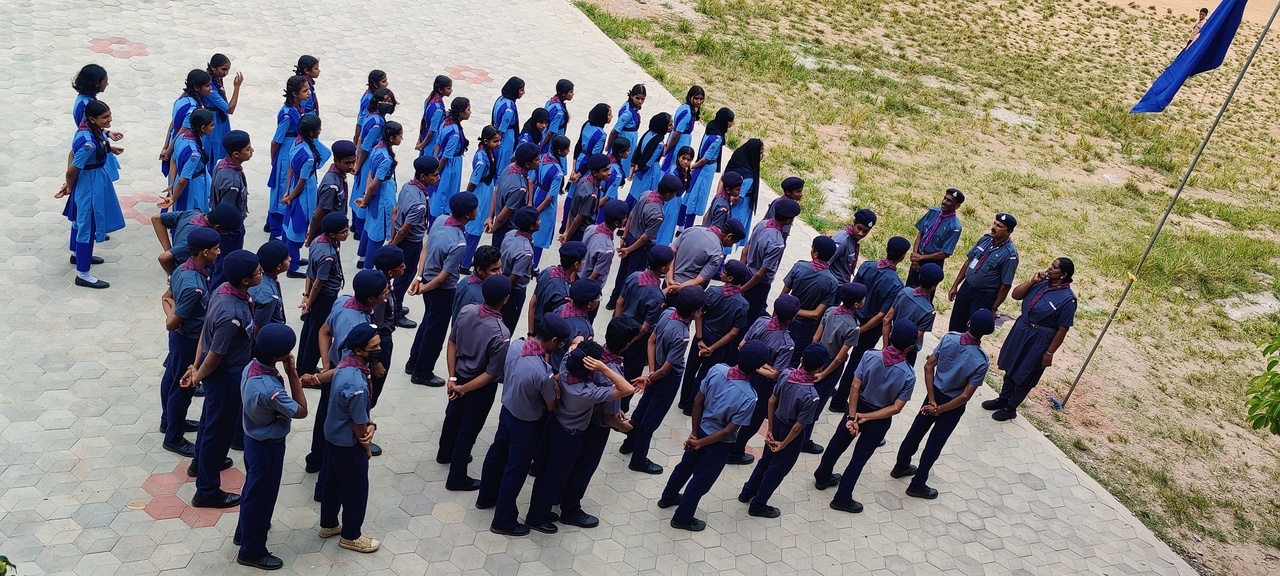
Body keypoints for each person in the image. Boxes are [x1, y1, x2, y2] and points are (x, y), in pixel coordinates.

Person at [524, 341, 637, 534]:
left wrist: (575, 347)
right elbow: (627, 389)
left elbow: (576, 341)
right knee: (554, 476)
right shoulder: (586, 392)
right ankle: (536, 518)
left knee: (546, 472)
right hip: (569, 436)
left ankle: (540, 509)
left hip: (556, 425)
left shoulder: (565, 366)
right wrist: (603, 368)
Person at [182, 250, 262, 508]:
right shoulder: (231, 314)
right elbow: (215, 353)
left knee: (209, 422)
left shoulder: (224, 290)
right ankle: (206, 490)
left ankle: (200, 463)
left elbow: (205, 334)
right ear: (246, 280)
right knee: (218, 434)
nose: (261, 274)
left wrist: (196, 367)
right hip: (226, 376)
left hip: (218, 373)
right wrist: (197, 374)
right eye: (258, 272)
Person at [658, 340, 765, 531]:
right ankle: (682, 517)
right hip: (718, 444)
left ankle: (668, 497)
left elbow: (698, 401)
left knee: (684, 467)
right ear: (758, 368)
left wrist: (694, 434)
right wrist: (700, 442)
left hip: (700, 429)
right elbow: (728, 430)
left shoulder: (717, 370)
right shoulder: (749, 396)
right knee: (701, 480)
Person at [478, 314, 570, 535]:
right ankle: (503, 520)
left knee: (497, 454)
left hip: (507, 410)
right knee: (516, 469)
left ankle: (486, 496)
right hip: (526, 424)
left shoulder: (516, 345)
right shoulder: (543, 373)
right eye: (560, 344)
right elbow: (551, 405)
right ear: (554, 340)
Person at [816, 319, 919, 514]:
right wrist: (868, 417)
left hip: (856, 407)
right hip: (879, 418)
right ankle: (842, 498)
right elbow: (896, 408)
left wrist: (852, 417)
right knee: (859, 458)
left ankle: (822, 475)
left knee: (838, 442)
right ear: (910, 347)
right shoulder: (908, 375)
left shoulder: (870, 355)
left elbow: (855, 386)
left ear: (890, 335)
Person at [892, 310, 994, 498]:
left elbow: (928, 366)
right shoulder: (981, 360)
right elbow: (965, 396)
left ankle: (901, 465)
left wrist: (932, 400)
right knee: (935, 442)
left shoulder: (949, 338)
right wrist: (940, 410)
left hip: (934, 394)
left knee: (916, 431)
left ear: (969, 323)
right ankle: (918, 483)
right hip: (952, 406)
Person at [234, 324, 310, 570]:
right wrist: (292, 373)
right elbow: (301, 410)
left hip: (252, 439)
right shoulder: (270, 389)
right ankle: (252, 551)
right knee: (262, 498)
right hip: (267, 447)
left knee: (252, 490)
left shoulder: (251, 367)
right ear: (279, 356)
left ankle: (243, 532)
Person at [309, 270, 388, 486]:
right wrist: (325, 375)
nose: (387, 295)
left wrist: (326, 364)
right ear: (371, 298)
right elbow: (346, 366)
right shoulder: (356, 326)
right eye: (384, 292)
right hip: (342, 376)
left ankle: (315, 459)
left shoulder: (344, 301)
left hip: (336, 371)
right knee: (339, 425)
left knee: (325, 416)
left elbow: (324, 331)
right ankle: (325, 477)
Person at [438, 275, 515, 490]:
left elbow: (452, 342)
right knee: (468, 430)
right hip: (479, 387)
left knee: (453, 417)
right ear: (506, 299)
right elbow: (491, 374)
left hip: (459, 377)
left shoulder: (467, 311)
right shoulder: (501, 333)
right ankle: (457, 478)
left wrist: (452, 378)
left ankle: (445, 453)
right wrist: (462, 389)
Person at [738, 343, 831, 517]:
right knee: (777, 469)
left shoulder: (786, 374)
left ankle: (747, 492)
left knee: (765, 461)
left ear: (801, 359)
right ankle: (758, 504)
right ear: (820, 368)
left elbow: (772, 401)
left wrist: (770, 429)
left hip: (776, 424)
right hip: (789, 434)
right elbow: (798, 426)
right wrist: (784, 444)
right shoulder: (812, 396)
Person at [624, 286, 706, 475]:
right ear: (695, 311)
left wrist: (651, 372)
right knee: (651, 420)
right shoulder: (682, 335)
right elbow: (667, 368)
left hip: (656, 369)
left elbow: (651, 341)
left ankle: (629, 443)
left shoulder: (668, 313)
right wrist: (653, 376)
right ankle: (638, 460)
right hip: (667, 379)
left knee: (642, 408)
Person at [983, 258, 1077, 421]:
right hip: (1022, 329)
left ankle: (1011, 407)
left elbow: (1063, 329)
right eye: (1051, 264)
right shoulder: (1041, 283)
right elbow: (1016, 295)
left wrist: (1049, 352)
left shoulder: (1067, 299)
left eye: (1054, 267)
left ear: (1063, 274)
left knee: (1025, 373)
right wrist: (1032, 281)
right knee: (1011, 365)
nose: (1050, 268)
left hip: (1039, 338)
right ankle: (1003, 399)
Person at [319, 323, 383, 554]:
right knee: (356, 488)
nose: (379, 349)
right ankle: (351, 536)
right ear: (359, 350)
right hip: (348, 441)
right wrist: (366, 443)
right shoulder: (356, 384)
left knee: (333, 481)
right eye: (374, 347)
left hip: (332, 434)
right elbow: (358, 423)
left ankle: (328, 524)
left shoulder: (346, 363)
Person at [160, 227, 221, 457]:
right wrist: (174, 316)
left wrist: (173, 312)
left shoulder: (183, 268)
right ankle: (174, 437)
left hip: (182, 337)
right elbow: (171, 321)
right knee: (183, 387)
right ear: (204, 252)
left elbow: (167, 297)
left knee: (171, 378)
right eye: (216, 249)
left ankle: (169, 421)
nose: (218, 252)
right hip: (188, 340)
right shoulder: (193, 286)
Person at [406, 192, 479, 386]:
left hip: (427, 280)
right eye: (475, 209)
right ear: (468, 214)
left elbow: (426, 247)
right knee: (435, 332)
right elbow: (444, 277)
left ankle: (413, 361)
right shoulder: (459, 243)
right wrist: (422, 288)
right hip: (442, 290)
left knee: (427, 323)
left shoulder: (440, 220)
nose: (477, 211)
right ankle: (422, 372)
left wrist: (419, 278)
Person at [830, 236, 909, 414]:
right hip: (869, 329)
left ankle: (826, 383)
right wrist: (860, 331)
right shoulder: (897, 284)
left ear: (886, 247)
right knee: (856, 363)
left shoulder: (867, 266)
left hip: (849, 318)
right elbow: (881, 315)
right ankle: (839, 401)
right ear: (903, 256)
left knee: (835, 352)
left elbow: (851, 290)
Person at [58, 100, 124, 289]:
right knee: (86, 224)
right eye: (105, 117)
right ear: (93, 119)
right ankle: (83, 274)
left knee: (80, 220)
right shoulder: (88, 144)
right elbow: (73, 168)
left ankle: (77, 254)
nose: (109, 120)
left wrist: (109, 148)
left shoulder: (89, 131)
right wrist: (69, 186)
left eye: (109, 115)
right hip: (90, 184)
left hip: (93, 179)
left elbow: (72, 153)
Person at [727, 295, 800, 466]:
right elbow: (774, 374)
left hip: (743, 371)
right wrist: (763, 366)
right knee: (754, 419)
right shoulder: (787, 344)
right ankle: (736, 451)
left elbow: (742, 346)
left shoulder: (761, 321)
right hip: (762, 385)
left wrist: (752, 362)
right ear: (793, 317)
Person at [679, 260, 752, 415]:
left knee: (691, 367)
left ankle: (683, 399)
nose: (722, 273)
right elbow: (733, 333)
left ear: (730, 278)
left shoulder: (713, 291)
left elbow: (698, 315)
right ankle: (691, 405)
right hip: (719, 342)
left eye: (724, 272)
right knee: (705, 373)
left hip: (703, 333)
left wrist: (700, 339)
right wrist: (712, 348)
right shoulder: (743, 304)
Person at [807, 282, 867, 453]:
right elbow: (840, 357)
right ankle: (804, 439)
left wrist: (811, 360)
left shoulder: (830, 310)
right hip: (830, 366)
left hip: (816, 357)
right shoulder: (853, 327)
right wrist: (824, 374)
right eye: (862, 299)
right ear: (856, 304)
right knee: (817, 402)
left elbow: (816, 338)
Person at [614, 246, 674, 410]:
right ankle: (621, 407)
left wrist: (617, 325)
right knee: (630, 374)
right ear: (663, 268)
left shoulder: (634, 276)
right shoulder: (657, 296)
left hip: (620, 328)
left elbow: (620, 301)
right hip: (636, 340)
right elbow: (645, 327)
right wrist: (629, 341)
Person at [609, 174, 681, 308]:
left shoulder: (646, 194)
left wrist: (624, 238)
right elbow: (645, 237)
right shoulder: (658, 214)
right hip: (639, 247)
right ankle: (622, 305)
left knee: (622, 272)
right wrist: (629, 250)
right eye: (674, 194)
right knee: (633, 277)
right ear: (668, 194)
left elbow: (631, 215)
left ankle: (613, 300)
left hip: (630, 238)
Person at [946, 213, 1019, 333]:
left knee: (972, 329)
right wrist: (955, 285)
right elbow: (969, 261)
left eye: (999, 226)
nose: (994, 227)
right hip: (966, 287)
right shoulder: (985, 239)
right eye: (994, 224)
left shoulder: (1010, 255)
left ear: (1008, 232)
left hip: (984, 296)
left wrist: (993, 308)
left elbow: (1005, 285)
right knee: (955, 323)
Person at [297, 213, 350, 375]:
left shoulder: (318, 241)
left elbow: (310, 273)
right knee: (317, 334)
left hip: (316, 296)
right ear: (332, 234)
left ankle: (302, 367)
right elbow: (318, 282)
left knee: (309, 330)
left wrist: (307, 295)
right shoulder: (328, 256)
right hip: (324, 297)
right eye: (344, 232)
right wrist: (309, 302)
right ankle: (307, 372)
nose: (347, 234)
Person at [368, 246, 408, 456]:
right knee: (372, 388)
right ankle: (361, 430)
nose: (405, 268)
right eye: (402, 266)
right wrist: (376, 362)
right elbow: (374, 329)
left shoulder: (382, 283)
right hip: (380, 343)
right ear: (391, 271)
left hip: (384, 339)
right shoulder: (380, 295)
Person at [391, 156, 439, 327]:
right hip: (409, 243)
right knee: (403, 279)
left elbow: (395, 211)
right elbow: (405, 229)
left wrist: (392, 238)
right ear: (423, 177)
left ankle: (396, 305)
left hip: (402, 240)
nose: (438, 177)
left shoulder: (408, 186)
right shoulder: (419, 203)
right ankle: (395, 313)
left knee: (403, 278)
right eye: (434, 175)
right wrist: (393, 245)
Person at [282, 114, 329, 278]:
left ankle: (290, 258)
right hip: (304, 193)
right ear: (311, 133)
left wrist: (287, 191)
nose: (320, 131)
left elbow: (290, 168)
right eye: (318, 129)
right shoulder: (308, 156)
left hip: (293, 187)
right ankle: (293, 266)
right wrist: (291, 196)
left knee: (290, 223)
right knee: (298, 226)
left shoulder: (296, 142)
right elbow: (302, 183)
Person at [780, 236, 840, 359]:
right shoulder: (832, 282)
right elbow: (816, 314)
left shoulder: (799, 267)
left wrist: (782, 313)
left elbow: (782, 297)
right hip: (804, 329)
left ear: (815, 254)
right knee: (792, 359)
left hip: (784, 318)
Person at [354, 121, 403, 269]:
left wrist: (366, 195)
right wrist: (366, 199)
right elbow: (375, 183)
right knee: (378, 232)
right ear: (392, 138)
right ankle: (368, 268)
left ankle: (362, 258)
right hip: (383, 195)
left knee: (369, 225)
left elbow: (370, 174)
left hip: (375, 193)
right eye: (400, 136)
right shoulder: (386, 159)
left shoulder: (377, 148)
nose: (402, 139)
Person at [741, 198, 800, 320]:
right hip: (758, 285)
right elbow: (760, 274)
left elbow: (745, 251)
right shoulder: (777, 243)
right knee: (748, 319)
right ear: (789, 220)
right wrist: (742, 289)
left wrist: (739, 278)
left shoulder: (762, 224)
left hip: (746, 274)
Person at [266, 76, 309, 242]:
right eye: (305, 90)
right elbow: (276, 141)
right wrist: (274, 161)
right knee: (281, 190)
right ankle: (275, 231)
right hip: (285, 156)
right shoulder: (287, 115)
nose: (308, 93)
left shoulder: (299, 108)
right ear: (294, 94)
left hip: (293, 153)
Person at [352, 87, 397, 242]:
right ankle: (360, 229)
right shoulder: (377, 123)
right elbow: (365, 145)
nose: (387, 104)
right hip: (369, 157)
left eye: (390, 101)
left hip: (367, 155)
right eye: (384, 100)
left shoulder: (371, 115)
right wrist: (358, 164)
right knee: (365, 189)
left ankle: (356, 225)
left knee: (359, 188)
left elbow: (360, 138)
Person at [152, 203, 244, 276]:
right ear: (217, 227)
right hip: (189, 277)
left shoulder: (192, 214)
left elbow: (156, 219)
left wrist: (169, 249)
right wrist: (173, 275)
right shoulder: (198, 239)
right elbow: (163, 258)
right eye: (227, 232)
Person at [882, 263, 943, 367]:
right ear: (934, 286)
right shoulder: (929, 312)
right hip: (907, 355)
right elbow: (915, 339)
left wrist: (885, 347)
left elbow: (886, 319)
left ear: (919, 277)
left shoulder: (904, 291)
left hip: (891, 343)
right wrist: (899, 356)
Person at [683, 107, 734, 231]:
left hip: (700, 166)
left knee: (689, 194)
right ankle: (687, 228)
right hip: (705, 169)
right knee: (696, 198)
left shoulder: (711, 127)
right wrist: (693, 166)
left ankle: (680, 225)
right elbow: (706, 158)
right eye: (731, 121)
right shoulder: (718, 138)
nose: (732, 124)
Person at [907, 188, 964, 289]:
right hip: (917, 258)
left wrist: (921, 258)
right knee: (909, 288)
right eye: (945, 198)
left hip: (932, 263)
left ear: (957, 206)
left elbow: (945, 253)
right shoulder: (933, 212)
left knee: (925, 293)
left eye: (949, 201)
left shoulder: (954, 227)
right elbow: (920, 233)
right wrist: (915, 256)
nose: (944, 202)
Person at [669, 219, 746, 292]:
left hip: (669, 284)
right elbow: (700, 281)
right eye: (733, 243)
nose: (730, 246)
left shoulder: (692, 230)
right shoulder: (717, 252)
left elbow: (671, 252)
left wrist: (669, 279)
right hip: (686, 292)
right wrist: (676, 288)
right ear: (729, 236)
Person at [487, 142, 540, 249]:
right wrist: (493, 228)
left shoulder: (510, 167)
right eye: (537, 159)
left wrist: (490, 217)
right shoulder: (519, 189)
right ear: (527, 164)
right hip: (507, 229)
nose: (540, 161)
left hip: (499, 224)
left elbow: (496, 191)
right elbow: (503, 216)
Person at [304, 140, 356, 248]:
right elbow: (318, 215)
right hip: (326, 232)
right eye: (347, 163)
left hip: (335, 230)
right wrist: (310, 237)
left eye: (353, 162)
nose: (351, 166)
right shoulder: (331, 185)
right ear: (336, 161)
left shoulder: (339, 176)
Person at [463, 126, 502, 269]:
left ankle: (467, 258)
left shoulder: (489, 152)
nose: (498, 144)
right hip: (481, 193)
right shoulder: (482, 160)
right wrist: (467, 198)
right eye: (495, 141)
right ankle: (464, 263)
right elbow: (473, 181)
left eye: (499, 141)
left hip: (487, 190)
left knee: (478, 227)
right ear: (486, 141)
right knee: (474, 228)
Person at [528, 242, 587, 335]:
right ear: (576, 264)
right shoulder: (564, 294)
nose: (584, 262)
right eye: (583, 259)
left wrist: (530, 333)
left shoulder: (548, 271)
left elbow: (533, 302)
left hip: (536, 328)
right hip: (546, 334)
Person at [210, 130, 252, 253]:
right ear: (236, 154)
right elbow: (227, 213)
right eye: (248, 149)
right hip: (230, 231)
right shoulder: (231, 182)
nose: (252, 151)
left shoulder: (222, 163)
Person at [499, 207, 539, 334]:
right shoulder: (525, 252)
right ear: (531, 226)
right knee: (508, 325)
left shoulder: (511, 234)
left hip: (502, 278)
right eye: (538, 220)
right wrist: (504, 296)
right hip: (513, 292)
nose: (540, 222)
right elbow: (514, 278)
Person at [533, 135, 572, 265]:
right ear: (559, 151)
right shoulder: (558, 172)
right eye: (567, 149)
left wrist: (530, 203)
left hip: (536, 194)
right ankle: (534, 265)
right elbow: (550, 197)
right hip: (544, 204)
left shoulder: (541, 157)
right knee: (540, 236)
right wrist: (537, 211)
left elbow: (531, 180)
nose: (569, 151)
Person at [432, 98, 470, 221]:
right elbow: (446, 157)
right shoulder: (455, 133)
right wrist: (437, 169)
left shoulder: (446, 122)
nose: (470, 112)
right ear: (460, 112)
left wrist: (434, 160)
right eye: (468, 109)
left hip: (441, 158)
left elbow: (438, 144)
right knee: (448, 190)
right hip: (452, 164)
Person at [203, 54, 243, 168]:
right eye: (223, 69)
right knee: (212, 152)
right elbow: (229, 109)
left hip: (220, 120)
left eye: (228, 69)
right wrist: (237, 87)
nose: (226, 73)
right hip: (213, 121)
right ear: (213, 68)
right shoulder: (210, 87)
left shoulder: (216, 79)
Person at [562, 153, 610, 244]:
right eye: (605, 170)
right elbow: (578, 219)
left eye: (609, 169)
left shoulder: (583, 180)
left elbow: (572, 209)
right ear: (595, 173)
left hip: (573, 229)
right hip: (580, 233)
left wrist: (567, 231)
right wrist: (567, 237)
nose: (609, 173)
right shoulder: (591, 193)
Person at [723, 138, 763, 243]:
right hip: (739, 208)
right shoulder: (748, 176)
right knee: (732, 236)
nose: (762, 156)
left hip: (725, 200)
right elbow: (737, 198)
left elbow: (722, 179)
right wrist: (725, 205)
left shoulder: (735, 163)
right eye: (760, 153)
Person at [582, 199, 629, 286]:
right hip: (588, 286)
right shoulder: (607, 249)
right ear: (616, 223)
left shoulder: (591, 228)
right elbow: (596, 275)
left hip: (578, 276)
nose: (626, 219)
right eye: (624, 218)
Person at [249, 240, 290, 333]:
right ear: (278, 266)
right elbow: (259, 327)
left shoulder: (261, 277)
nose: (290, 259)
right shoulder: (268, 296)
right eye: (287, 259)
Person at [630, 113, 672, 201]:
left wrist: (635, 166)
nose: (672, 127)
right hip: (650, 171)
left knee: (635, 191)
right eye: (670, 125)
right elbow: (649, 163)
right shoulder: (659, 144)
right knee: (645, 194)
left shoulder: (648, 133)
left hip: (640, 166)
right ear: (662, 126)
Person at [454, 245, 503, 320]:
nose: (500, 273)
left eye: (500, 268)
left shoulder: (464, 282)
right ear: (479, 270)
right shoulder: (481, 301)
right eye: (494, 270)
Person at [661, 86, 704, 172]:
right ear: (690, 97)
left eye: (701, 99)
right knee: (673, 165)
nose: (699, 102)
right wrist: (667, 148)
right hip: (680, 142)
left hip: (678, 139)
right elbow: (676, 135)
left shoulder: (684, 107)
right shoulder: (687, 114)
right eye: (696, 98)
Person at [606, 84, 645, 176]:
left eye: (642, 99)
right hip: (625, 139)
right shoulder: (628, 112)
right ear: (631, 96)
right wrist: (609, 144)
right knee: (621, 163)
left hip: (630, 138)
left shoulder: (631, 107)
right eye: (637, 98)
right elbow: (615, 131)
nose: (640, 101)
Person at [829, 209, 876, 284]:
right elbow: (824, 263)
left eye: (865, 231)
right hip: (833, 283)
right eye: (859, 228)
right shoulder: (842, 241)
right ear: (854, 222)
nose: (861, 233)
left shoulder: (853, 240)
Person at [492, 77, 525, 171]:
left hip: (496, 130)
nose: (523, 92)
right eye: (521, 90)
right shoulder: (509, 108)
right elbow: (502, 130)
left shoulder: (501, 99)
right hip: (506, 137)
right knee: (503, 162)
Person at [416, 75, 451, 156]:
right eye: (448, 88)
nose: (451, 91)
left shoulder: (429, 99)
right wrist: (422, 145)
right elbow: (432, 131)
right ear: (440, 90)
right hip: (432, 140)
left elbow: (423, 120)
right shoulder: (438, 109)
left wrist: (420, 138)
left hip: (425, 133)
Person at [573, 103, 611, 177]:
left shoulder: (587, 124)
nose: (611, 116)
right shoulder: (601, 135)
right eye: (609, 115)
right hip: (587, 166)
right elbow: (594, 158)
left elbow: (578, 144)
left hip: (579, 160)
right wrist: (579, 175)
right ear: (602, 116)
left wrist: (573, 169)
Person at [702, 171, 742, 235]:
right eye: (737, 189)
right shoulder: (723, 207)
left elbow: (705, 217)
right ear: (728, 190)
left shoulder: (718, 196)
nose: (740, 191)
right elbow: (715, 230)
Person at [357, 70, 389, 142]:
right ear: (375, 85)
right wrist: (357, 139)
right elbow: (360, 121)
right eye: (384, 82)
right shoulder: (369, 100)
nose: (387, 84)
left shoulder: (375, 95)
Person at [545, 79, 574, 151]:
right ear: (563, 94)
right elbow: (551, 132)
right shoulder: (559, 112)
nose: (573, 94)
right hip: (553, 141)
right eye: (571, 92)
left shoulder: (550, 101)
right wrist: (542, 145)